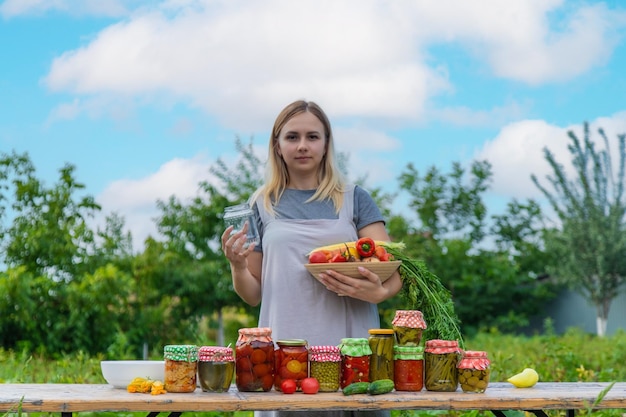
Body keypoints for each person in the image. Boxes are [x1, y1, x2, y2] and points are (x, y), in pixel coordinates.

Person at [222, 100, 401, 417]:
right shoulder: (261, 204)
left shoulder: (354, 198)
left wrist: (380, 292)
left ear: (326, 144)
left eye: (312, 137)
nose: (302, 146)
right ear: (277, 145)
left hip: (352, 350)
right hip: (285, 352)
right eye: (292, 137)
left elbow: (393, 272)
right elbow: (253, 294)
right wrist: (237, 265)